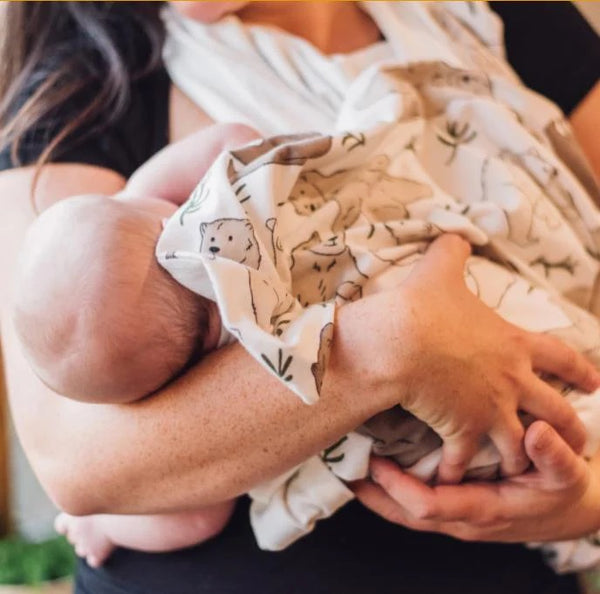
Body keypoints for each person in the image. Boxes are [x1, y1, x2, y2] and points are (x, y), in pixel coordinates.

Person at [1, 2, 599, 593]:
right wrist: (389, 343)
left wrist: (586, 504)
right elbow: (77, 465)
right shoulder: (80, 78)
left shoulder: (515, 18)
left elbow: (170, 506)